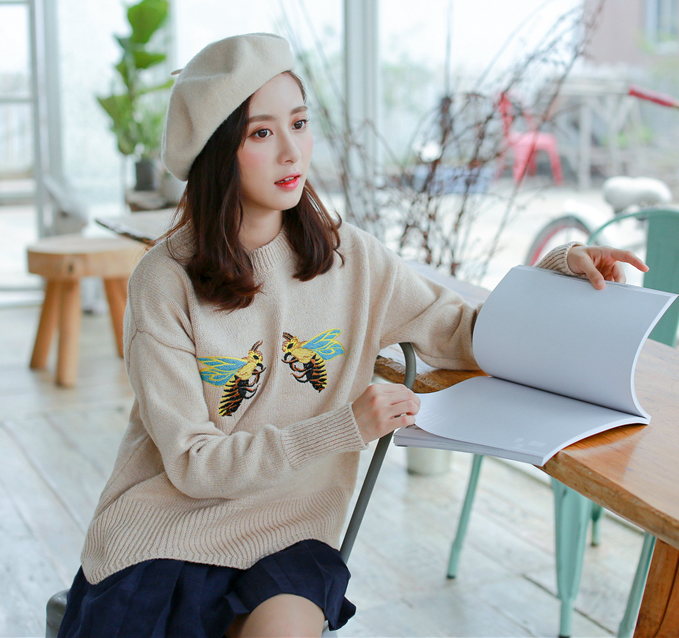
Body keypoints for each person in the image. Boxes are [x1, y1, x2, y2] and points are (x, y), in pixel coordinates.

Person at [58, 33, 647, 638]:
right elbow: (193, 464)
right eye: (260, 133)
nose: (291, 151)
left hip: (291, 533)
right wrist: (344, 427)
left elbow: (466, 332)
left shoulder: (351, 260)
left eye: (299, 123)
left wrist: (558, 272)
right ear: (216, 151)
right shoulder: (164, 280)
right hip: (166, 534)